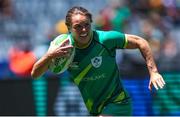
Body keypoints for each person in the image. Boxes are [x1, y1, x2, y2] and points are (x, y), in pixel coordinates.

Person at [31, 6, 165, 116]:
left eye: (86, 25)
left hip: (118, 103)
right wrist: (48, 56)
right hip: (96, 110)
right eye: (78, 26)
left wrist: (153, 72)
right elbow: (35, 75)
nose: (84, 30)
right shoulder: (64, 48)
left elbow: (140, 42)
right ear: (69, 28)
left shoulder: (105, 39)